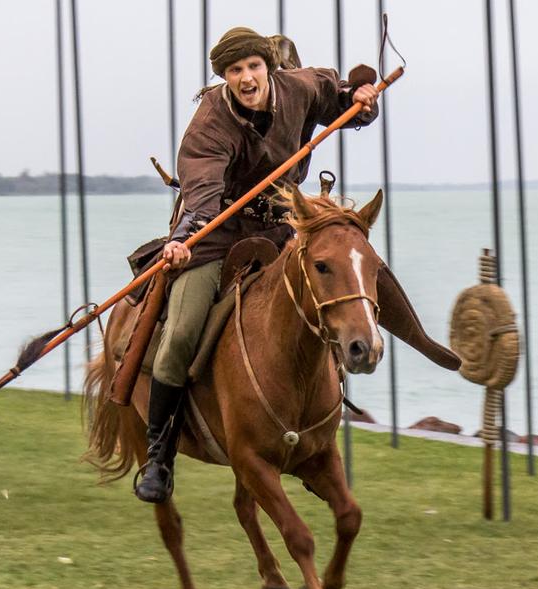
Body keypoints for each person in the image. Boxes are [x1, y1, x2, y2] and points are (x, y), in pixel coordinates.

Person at [134, 27, 380, 503]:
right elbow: (202, 198)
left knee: (343, 286)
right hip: (215, 236)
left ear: (268, 66)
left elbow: (341, 98)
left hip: (282, 230)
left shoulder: (298, 87)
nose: (247, 79)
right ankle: (159, 455)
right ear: (224, 78)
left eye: (253, 67)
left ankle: (312, 436)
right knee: (181, 333)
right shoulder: (208, 125)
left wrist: (363, 102)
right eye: (234, 71)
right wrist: (184, 239)